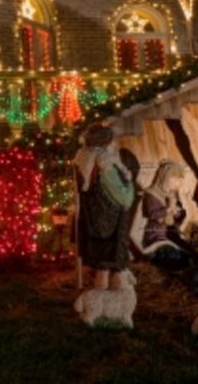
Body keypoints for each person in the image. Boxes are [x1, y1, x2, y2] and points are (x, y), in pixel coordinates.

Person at [74, 122, 135, 290]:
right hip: (109, 223)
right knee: (107, 264)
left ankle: (103, 293)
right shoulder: (105, 164)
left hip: (93, 222)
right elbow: (124, 198)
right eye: (113, 141)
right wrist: (129, 183)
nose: (115, 144)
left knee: (102, 265)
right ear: (106, 143)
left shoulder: (82, 159)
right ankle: (110, 296)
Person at [132, 160, 198, 269]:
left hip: (171, 234)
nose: (179, 183)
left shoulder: (172, 195)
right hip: (156, 235)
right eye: (176, 179)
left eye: (180, 180)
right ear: (165, 177)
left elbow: (178, 219)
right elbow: (152, 214)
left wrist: (178, 213)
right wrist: (167, 210)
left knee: (195, 257)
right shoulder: (151, 194)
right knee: (174, 258)